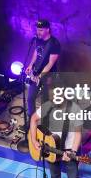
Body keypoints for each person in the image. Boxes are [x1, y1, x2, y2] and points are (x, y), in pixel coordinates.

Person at [29, 97, 82, 178]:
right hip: (52, 147)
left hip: (69, 149)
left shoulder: (75, 110)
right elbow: (33, 119)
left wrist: (73, 152)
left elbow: (78, 134)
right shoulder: (48, 105)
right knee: (54, 176)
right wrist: (34, 140)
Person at [18, 19, 60, 152]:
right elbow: (36, 53)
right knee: (30, 98)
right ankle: (32, 122)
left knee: (46, 101)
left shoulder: (54, 43)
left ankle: (46, 125)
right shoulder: (38, 39)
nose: (38, 32)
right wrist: (30, 65)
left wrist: (40, 76)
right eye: (37, 29)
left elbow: (50, 63)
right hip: (35, 74)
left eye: (41, 30)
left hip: (48, 76)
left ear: (48, 29)